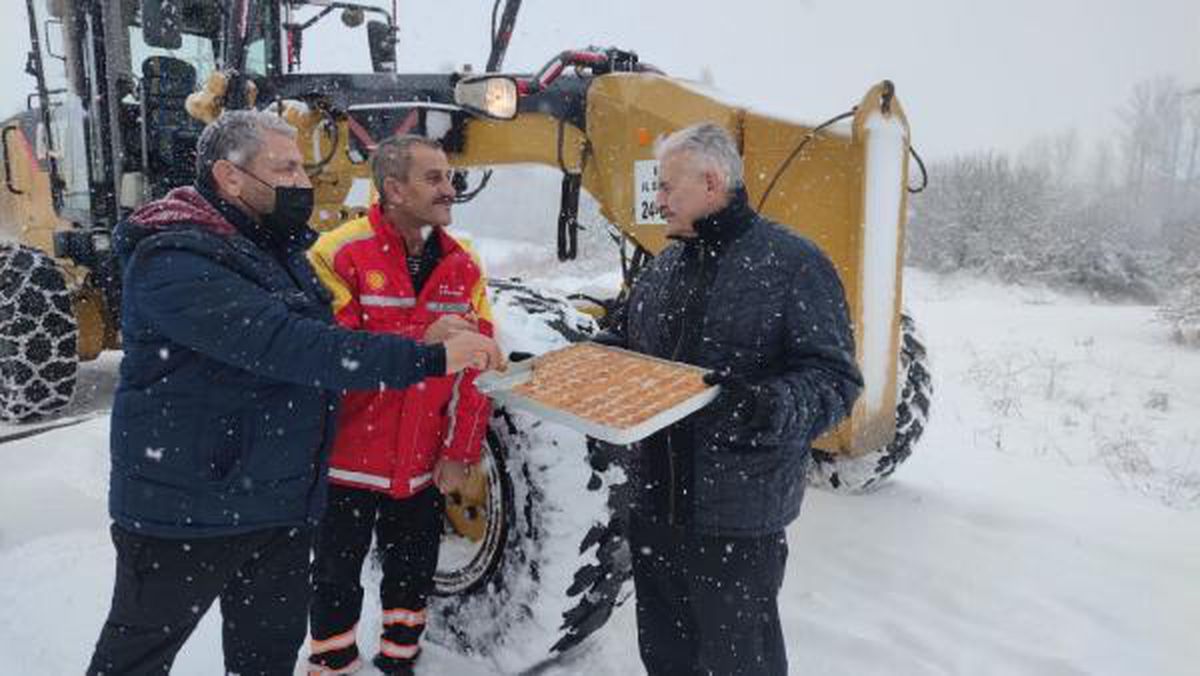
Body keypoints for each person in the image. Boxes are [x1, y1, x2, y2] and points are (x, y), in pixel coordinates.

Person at [87, 111, 502, 676]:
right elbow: (293, 346)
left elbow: (329, 337)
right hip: (188, 511)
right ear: (229, 177)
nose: (302, 182)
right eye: (284, 168)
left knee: (267, 660)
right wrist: (427, 356)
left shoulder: (280, 251)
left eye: (303, 166)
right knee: (137, 658)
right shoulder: (174, 256)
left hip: (276, 506)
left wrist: (425, 341)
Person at [599, 123, 864, 675]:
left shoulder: (793, 264)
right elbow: (623, 343)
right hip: (655, 511)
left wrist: (759, 405)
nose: (659, 199)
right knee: (667, 661)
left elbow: (835, 382)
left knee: (741, 665)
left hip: (734, 522)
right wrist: (568, 365)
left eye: (668, 187)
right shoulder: (663, 266)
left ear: (713, 182)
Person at [304, 135, 494, 675]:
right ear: (393, 188)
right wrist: (423, 338)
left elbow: (476, 366)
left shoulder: (464, 266)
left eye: (449, 176)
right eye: (433, 178)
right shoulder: (338, 253)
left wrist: (460, 451)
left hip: (421, 466)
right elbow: (330, 354)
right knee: (335, 574)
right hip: (345, 462)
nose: (449, 189)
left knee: (411, 574)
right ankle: (332, 661)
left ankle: (399, 661)